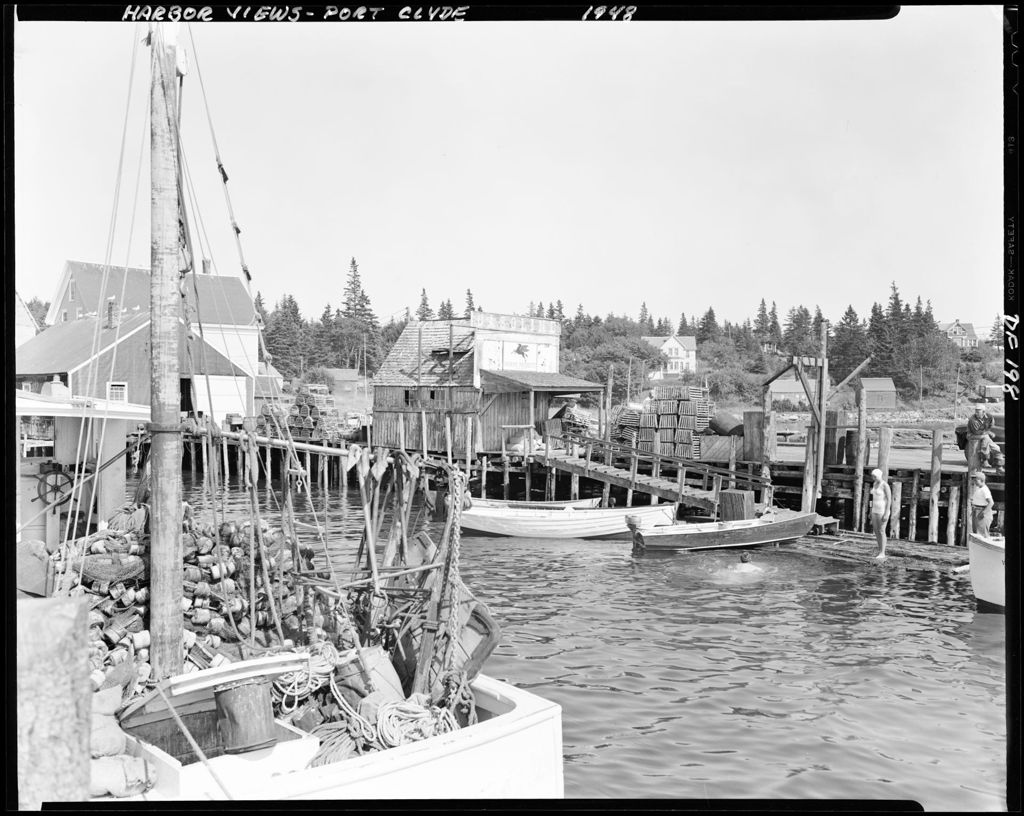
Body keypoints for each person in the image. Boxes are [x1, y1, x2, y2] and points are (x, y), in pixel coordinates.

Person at [869, 468, 892, 560]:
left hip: (882, 511)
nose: (873, 478)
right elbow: (872, 498)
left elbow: (889, 500)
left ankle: (883, 552)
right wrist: (870, 509)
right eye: (873, 476)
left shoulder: (885, 485)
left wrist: (886, 513)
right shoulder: (874, 484)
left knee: (882, 531)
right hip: (874, 510)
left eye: (875, 476)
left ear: (879, 476)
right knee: (876, 531)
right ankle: (880, 550)